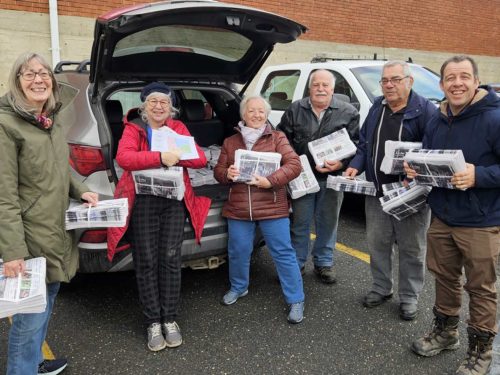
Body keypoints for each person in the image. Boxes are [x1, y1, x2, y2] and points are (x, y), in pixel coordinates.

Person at [0, 52, 99, 375]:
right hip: (29, 236)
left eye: (43, 74)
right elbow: (3, 196)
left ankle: (36, 364)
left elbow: (61, 166)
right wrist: (13, 251)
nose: (38, 80)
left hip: (55, 229)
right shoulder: (6, 125)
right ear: (17, 82)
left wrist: (79, 189)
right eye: (29, 75)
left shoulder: (50, 120)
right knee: (29, 318)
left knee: (48, 299)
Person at [405, 56, 500, 375]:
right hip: (443, 215)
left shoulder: (495, 118)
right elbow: (432, 159)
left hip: (480, 221)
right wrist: (415, 167)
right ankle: (446, 333)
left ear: (476, 81)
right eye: (450, 78)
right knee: (444, 278)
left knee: (480, 287)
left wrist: (479, 176)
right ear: (442, 84)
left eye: (463, 77)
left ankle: (480, 351)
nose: (457, 83)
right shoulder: (437, 118)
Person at [107, 82, 211, 351]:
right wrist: (160, 157)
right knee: (146, 261)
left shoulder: (178, 129)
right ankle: (153, 321)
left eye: (164, 102)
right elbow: (124, 158)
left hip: (173, 202)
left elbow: (199, 159)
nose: (158, 106)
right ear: (144, 106)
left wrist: (174, 156)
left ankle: (170, 319)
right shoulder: (135, 129)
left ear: (171, 107)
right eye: (153, 101)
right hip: (143, 202)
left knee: (170, 258)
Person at [345, 61, 436, 320]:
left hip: (411, 194)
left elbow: (434, 151)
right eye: (385, 80)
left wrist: (418, 169)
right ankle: (381, 288)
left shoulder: (426, 111)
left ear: (409, 81)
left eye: (395, 79)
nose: (389, 85)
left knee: (411, 248)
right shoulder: (377, 107)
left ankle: (409, 297)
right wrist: (355, 165)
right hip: (378, 191)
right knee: (378, 243)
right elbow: (364, 144)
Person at [214, 95, 305, 323]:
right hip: (239, 208)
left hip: (272, 205)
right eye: (251, 111)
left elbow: (294, 165)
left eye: (261, 111)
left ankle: (296, 299)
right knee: (238, 250)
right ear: (243, 114)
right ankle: (239, 287)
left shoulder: (277, 137)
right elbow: (218, 171)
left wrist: (270, 181)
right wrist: (227, 174)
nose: (256, 115)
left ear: (267, 115)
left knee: (283, 253)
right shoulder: (231, 142)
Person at [277, 69, 359, 284]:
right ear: (310, 88)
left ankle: (323, 263)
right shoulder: (296, 109)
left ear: (333, 89)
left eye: (325, 85)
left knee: (328, 223)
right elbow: (281, 139)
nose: (320, 89)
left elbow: (358, 146)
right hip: (302, 179)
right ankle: (297, 262)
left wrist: (341, 163)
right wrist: (291, 163)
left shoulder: (348, 112)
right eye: (316, 85)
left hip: (332, 179)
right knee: (300, 223)